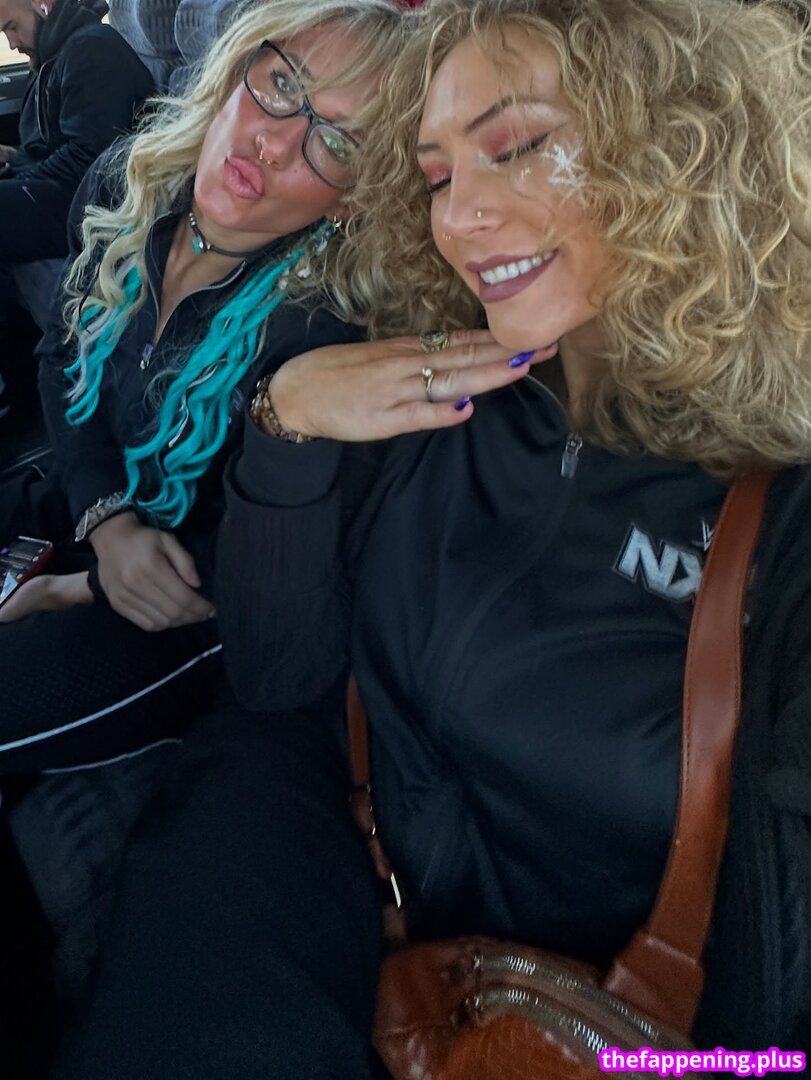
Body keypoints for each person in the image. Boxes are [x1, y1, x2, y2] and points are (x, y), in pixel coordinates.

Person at [43, 0, 811, 1074]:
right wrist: (285, 426)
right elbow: (280, 690)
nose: (461, 215)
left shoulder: (781, 512)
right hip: (323, 873)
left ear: (684, 144)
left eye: (518, 145)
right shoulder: (418, 390)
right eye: (437, 175)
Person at [0, 0, 406, 771]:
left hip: (178, 612)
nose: (275, 141)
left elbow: (255, 573)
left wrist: (79, 587)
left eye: (334, 140)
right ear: (235, 68)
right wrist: (104, 520)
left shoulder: (323, 334)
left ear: (355, 195)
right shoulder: (125, 183)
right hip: (84, 500)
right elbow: (61, 355)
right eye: (282, 84)